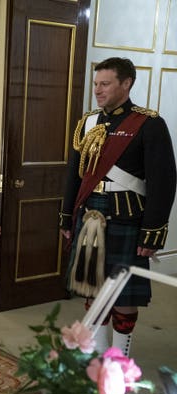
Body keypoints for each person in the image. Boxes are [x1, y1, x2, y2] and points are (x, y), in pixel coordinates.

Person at [60, 57, 176, 357]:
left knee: (124, 292)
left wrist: (152, 233)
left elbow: (163, 183)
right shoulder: (87, 122)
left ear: (126, 84)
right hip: (90, 214)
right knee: (91, 287)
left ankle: (119, 360)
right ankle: (96, 356)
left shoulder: (149, 124)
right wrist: (66, 218)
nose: (98, 90)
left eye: (105, 84)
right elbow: (76, 174)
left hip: (127, 218)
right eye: (96, 84)